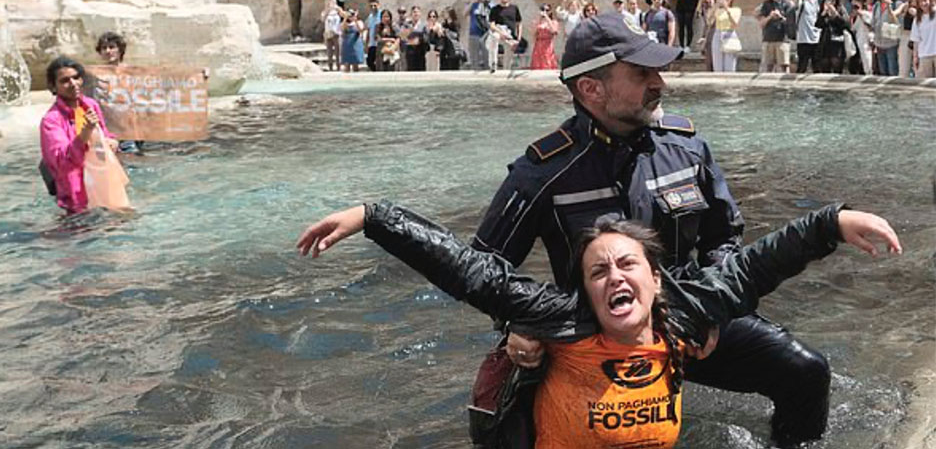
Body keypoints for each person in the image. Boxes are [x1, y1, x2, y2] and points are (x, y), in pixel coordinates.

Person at [471, 12, 832, 448]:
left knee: (807, 372)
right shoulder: (543, 172)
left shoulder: (686, 148)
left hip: (689, 320)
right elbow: (484, 270)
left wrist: (713, 312)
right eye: (642, 73)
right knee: (513, 426)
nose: (660, 82)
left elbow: (723, 239)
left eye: (658, 70)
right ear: (591, 88)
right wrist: (518, 326)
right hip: (587, 337)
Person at [297, 201, 901, 448]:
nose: (615, 277)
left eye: (628, 265)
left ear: (656, 280)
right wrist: (372, 218)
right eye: (598, 271)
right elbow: (469, 270)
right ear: (585, 291)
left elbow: (757, 262)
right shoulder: (562, 322)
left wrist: (834, 223)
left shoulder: (684, 312)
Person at [39, 56, 119, 214]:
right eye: (65, 80)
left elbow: (105, 135)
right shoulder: (51, 121)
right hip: (76, 198)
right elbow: (62, 161)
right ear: (53, 86)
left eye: (76, 78)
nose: (73, 83)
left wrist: (111, 142)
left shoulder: (90, 105)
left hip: (103, 186)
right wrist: (85, 133)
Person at [757, 0, 795, 72]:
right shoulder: (766, 4)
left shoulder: (788, 4)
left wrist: (780, 17)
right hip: (768, 39)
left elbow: (792, 23)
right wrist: (770, 16)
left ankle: (785, 83)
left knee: (784, 66)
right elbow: (761, 24)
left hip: (783, 40)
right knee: (768, 66)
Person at [816, 0, 852, 73]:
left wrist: (835, 14)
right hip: (826, 41)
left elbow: (846, 24)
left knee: (836, 62)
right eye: (827, 0)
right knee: (825, 63)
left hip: (837, 41)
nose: (830, 2)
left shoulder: (841, 9)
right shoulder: (823, 10)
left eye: (832, 0)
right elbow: (818, 24)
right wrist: (823, 13)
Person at [490, 0, 524, 71]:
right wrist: (501, 34)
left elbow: (519, 23)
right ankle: (494, 63)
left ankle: (506, 69)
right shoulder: (495, 9)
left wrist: (518, 38)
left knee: (509, 56)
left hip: (510, 36)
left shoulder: (514, 8)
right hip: (499, 33)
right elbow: (492, 26)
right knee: (494, 37)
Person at [708, 0, 742, 71]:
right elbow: (709, 21)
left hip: (729, 35)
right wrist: (715, 6)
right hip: (718, 34)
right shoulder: (717, 11)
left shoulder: (736, 10)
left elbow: (735, 24)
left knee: (729, 66)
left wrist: (727, 9)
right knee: (717, 65)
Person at [872, 0, 903, 75]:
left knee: (892, 70)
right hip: (879, 44)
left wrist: (889, 6)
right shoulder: (876, 5)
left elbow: (898, 22)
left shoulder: (897, 4)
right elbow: (873, 23)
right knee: (883, 72)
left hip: (892, 44)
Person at [795, 0, 823, 73]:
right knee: (802, 66)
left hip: (815, 37)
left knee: (817, 65)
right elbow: (796, 7)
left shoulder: (816, 0)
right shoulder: (800, 0)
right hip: (803, 38)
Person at [912, 0, 936, 77]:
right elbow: (916, 40)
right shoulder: (917, 20)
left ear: (930, 0)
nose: (923, 3)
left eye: (925, 0)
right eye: (920, 1)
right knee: (926, 85)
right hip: (924, 55)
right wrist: (915, 57)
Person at [530, 4, 560, 69]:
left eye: (547, 10)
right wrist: (539, 19)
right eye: (543, 10)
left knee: (548, 63)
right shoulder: (537, 22)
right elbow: (533, 32)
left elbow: (554, 30)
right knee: (537, 64)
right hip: (539, 44)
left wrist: (547, 18)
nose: (545, 12)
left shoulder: (553, 22)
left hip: (548, 45)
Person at [850, 0, 875, 74]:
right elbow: (853, 28)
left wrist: (861, 14)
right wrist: (853, 16)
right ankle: (866, 72)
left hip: (868, 38)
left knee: (868, 58)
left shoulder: (869, 11)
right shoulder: (854, 14)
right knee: (863, 58)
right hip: (859, 38)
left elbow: (871, 25)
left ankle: (870, 73)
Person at [321, 0, 344, 72]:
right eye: (327, 0)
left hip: (336, 32)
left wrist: (339, 10)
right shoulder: (325, 11)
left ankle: (338, 66)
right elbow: (322, 19)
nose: (329, 1)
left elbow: (344, 16)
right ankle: (330, 67)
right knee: (329, 52)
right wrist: (327, 11)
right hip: (328, 33)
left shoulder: (337, 9)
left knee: (338, 51)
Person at [469, 0, 492, 70]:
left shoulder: (490, 4)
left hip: (486, 34)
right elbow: (464, 13)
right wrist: (472, 2)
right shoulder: (474, 5)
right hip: (473, 34)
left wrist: (486, 2)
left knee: (487, 57)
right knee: (474, 58)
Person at [365, 0, 382, 72]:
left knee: (379, 61)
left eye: (375, 5)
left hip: (379, 43)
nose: (373, 7)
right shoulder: (370, 17)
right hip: (372, 43)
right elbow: (368, 30)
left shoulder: (382, 15)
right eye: (371, 6)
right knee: (369, 61)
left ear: (379, 5)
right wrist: (366, 43)